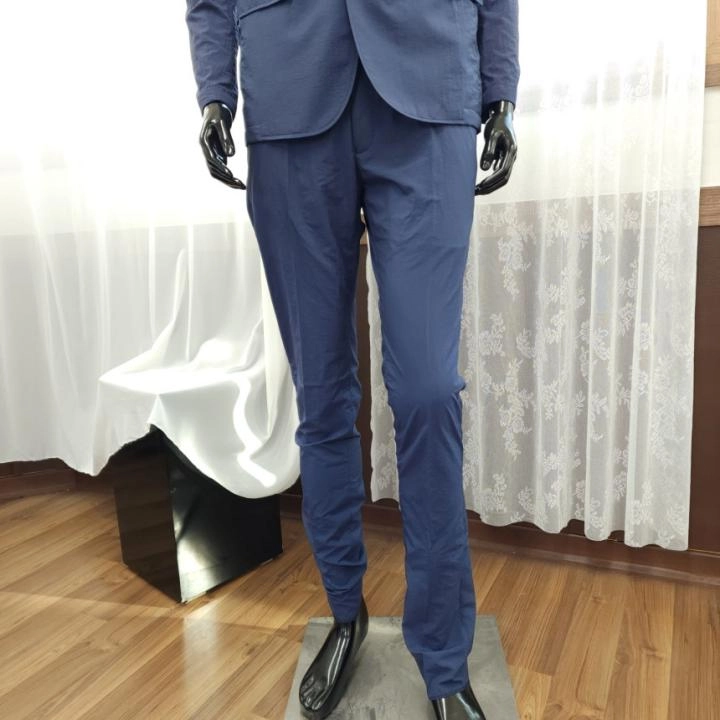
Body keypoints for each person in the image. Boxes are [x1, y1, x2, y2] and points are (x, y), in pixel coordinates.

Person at [186, 1, 519, 718]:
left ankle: (443, 654)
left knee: (429, 390)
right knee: (322, 392)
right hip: (289, 92)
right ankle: (346, 611)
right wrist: (215, 93)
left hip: (427, 90)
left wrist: (501, 90)